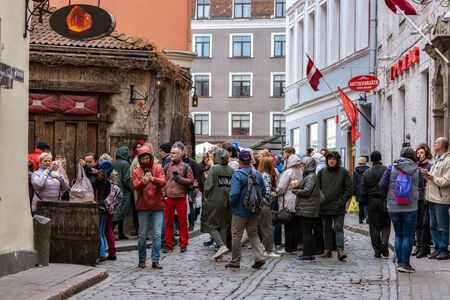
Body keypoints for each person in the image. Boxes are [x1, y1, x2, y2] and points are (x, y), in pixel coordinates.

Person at [379, 147, 424, 272]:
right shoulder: (417, 170)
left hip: (393, 206)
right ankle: (405, 264)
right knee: (408, 235)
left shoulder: (391, 168)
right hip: (411, 206)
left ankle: (399, 263)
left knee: (398, 234)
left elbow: (382, 185)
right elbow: (421, 187)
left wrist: (389, 196)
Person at [225, 150, 266, 269]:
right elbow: (263, 191)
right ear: (250, 160)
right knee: (253, 233)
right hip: (254, 209)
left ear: (240, 161)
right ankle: (259, 257)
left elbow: (234, 193)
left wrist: (232, 204)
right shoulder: (257, 173)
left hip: (239, 210)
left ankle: (235, 261)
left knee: (236, 234)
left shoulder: (238, 175)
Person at [132, 146, 166, 269]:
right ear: (140, 159)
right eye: (143, 158)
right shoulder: (136, 171)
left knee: (157, 234)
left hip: (157, 205)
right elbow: (135, 186)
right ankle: (142, 260)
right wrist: (143, 182)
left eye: (147, 158)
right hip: (143, 206)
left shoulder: (158, 168)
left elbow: (163, 182)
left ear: (151, 157)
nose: (145, 160)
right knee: (142, 235)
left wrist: (153, 179)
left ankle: (155, 260)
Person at [318, 151, 353, 261]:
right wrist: (320, 200)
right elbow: (317, 188)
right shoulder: (321, 172)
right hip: (325, 206)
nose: (331, 161)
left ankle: (340, 250)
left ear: (337, 160)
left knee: (338, 228)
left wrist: (342, 201)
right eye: (329, 159)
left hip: (338, 206)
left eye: (333, 159)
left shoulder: (344, 172)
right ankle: (327, 250)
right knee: (326, 229)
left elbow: (349, 188)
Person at [201, 149, 234, 260]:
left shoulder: (214, 169)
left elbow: (208, 186)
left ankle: (221, 245)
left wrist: (206, 197)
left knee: (211, 225)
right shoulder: (231, 170)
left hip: (214, 201)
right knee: (224, 226)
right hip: (227, 202)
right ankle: (222, 250)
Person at [163, 145, 194, 253]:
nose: (171, 155)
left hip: (180, 197)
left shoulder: (186, 167)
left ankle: (183, 244)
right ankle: (168, 244)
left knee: (183, 222)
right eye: (171, 153)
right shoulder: (167, 166)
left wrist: (179, 179)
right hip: (168, 198)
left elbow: (191, 181)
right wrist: (164, 194)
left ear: (180, 154)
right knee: (168, 222)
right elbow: (164, 182)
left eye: (174, 153)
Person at [423, 137, 450, 260]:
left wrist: (431, 177)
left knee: (442, 226)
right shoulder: (437, 160)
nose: (434, 144)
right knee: (433, 225)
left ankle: (444, 249)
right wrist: (427, 175)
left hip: (441, 199)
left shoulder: (447, 160)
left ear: (443, 145)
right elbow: (433, 179)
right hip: (432, 198)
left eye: (436, 143)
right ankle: (437, 248)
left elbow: (446, 181)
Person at [360, 151, 390, 258]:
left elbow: (362, 190)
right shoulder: (387, 170)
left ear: (371, 160)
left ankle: (377, 251)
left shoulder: (367, 173)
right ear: (380, 158)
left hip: (371, 201)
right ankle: (384, 241)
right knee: (386, 223)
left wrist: (365, 203)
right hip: (384, 200)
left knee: (374, 227)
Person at [291, 157, 321, 261]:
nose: (301, 167)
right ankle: (309, 253)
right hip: (308, 208)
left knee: (306, 231)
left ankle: (307, 254)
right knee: (307, 231)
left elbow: (307, 191)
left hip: (307, 208)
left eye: (303, 165)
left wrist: (295, 191)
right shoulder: (309, 176)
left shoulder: (311, 176)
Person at [275, 154, 303, 254]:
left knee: (288, 225)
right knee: (296, 225)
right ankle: (294, 247)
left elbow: (282, 188)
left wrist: (276, 191)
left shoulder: (288, 172)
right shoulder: (301, 171)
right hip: (299, 201)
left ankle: (288, 248)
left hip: (288, 201)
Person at [413, 143, 433, 258]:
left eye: (421, 153)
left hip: (425, 197)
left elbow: (430, 182)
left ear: (426, 154)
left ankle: (424, 247)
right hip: (415, 196)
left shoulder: (429, 166)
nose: (419, 155)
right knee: (417, 223)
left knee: (425, 223)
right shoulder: (415, 166)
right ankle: (419, 245)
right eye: (418, 153)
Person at [94, 160, 117, 262]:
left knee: (101, 231)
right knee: (105, 230)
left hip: (103, 207)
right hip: (108, 208)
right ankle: (109, 251)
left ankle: (102, 252)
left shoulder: (103, 180)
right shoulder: (109, 179)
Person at [257, 157, 280, 258]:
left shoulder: (258, 174)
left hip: (257, 204)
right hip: (264, 204)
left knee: (257, 228)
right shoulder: (266, 176)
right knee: (267, 227)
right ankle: (268, 250)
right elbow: (266, 192)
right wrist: (272, 195)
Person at [112, 146, 132, 240]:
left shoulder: (115, 162)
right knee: (120, 212)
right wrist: (130, 188)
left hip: (115, 190)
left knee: (119, 212)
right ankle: (111, 233)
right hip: (123, 190)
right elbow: (126, 179)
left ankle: (120, 233)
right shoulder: (125, 163)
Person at [353, 157, 370, 224]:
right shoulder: (369, 170)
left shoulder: (355, 171)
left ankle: (360, 219)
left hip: (359, 190)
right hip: (367, 189)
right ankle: (367, 217)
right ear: (365, 162)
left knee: (361, 205)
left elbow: (354, 182)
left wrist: (353, 192)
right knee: (367, 204)